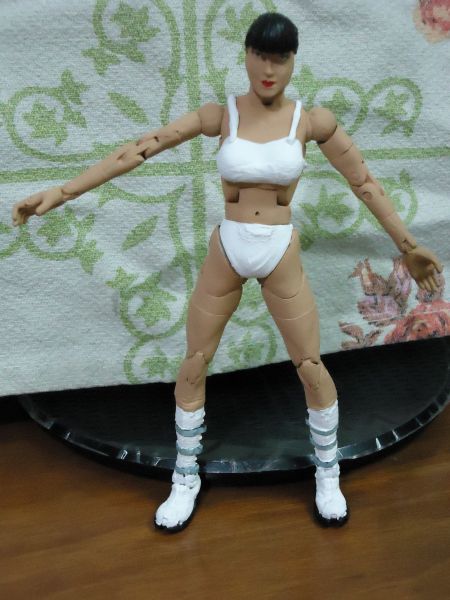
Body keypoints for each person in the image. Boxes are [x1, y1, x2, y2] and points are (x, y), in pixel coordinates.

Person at [12, 13, 442, 533]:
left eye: (280, 58)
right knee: (194, 361)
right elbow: (141, 149)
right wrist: (61, 193)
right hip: (230, 246)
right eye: (260, 55)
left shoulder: (312, 121)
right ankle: (185, 474)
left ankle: (327, 472)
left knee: (310, 363)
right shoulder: (221, 115)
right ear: (245, 55)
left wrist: (408, 246)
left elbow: (364, 183)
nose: (268, 69)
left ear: (293, 62)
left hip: (279, 248)